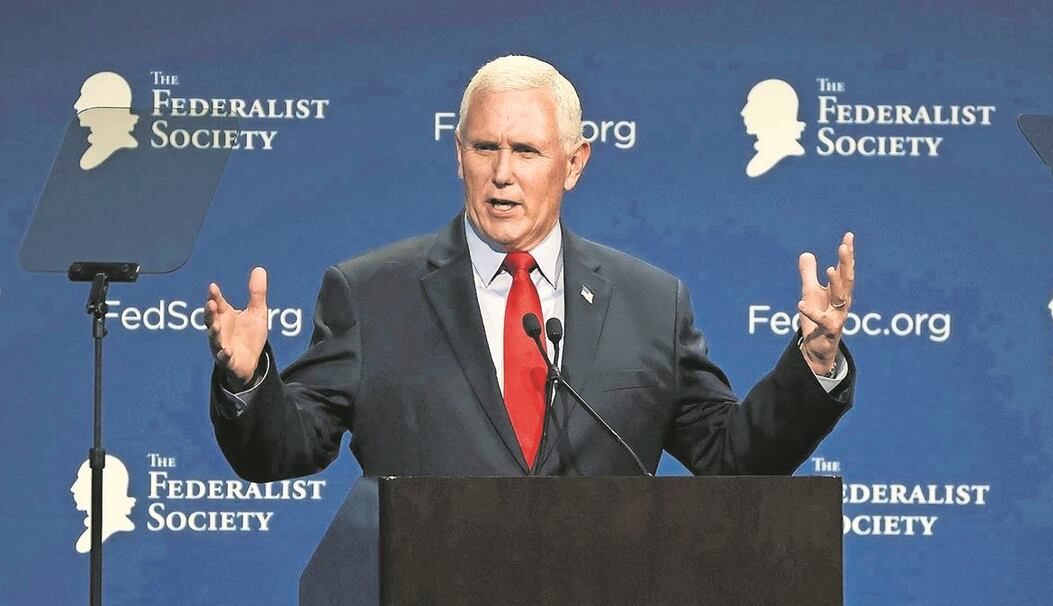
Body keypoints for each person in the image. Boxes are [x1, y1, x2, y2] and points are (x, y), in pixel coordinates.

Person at [206, 55, 856, 481]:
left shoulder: (651, 304)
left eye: (526, 151)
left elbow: (730, 456)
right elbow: (286, 448)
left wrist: (814, 364)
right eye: (485, 148)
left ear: (573, 164)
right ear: (458, 155)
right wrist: (248, 381)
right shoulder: (371, 295)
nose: (502, 173)